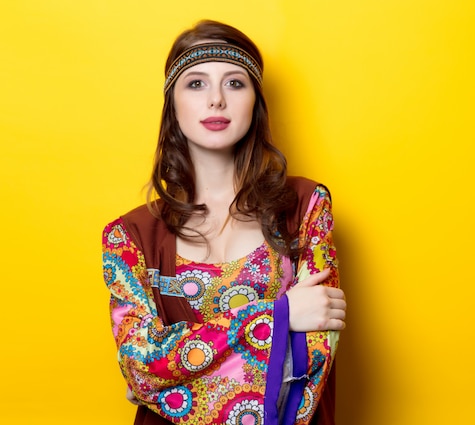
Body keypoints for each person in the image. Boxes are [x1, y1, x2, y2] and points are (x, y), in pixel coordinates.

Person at [101, 19, 346, 425]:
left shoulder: (306, 208)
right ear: (173, 105)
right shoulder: (129, 238)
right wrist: (280, 316)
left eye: (235, 83)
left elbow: (314, 359)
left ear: (255, 101)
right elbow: (139, 366)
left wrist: (170, 382)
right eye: (195, 84)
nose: (216, 100)